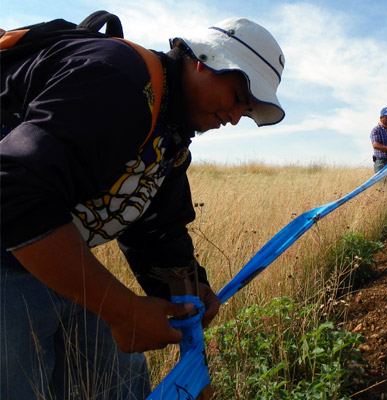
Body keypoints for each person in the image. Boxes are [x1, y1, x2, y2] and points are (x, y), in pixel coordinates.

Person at [0, 15, 285, 399]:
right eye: (237, 97)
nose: (236, 118)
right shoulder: (119, 80)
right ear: (205, 59)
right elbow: (14, 190)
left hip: (64, 264)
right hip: (11, 264)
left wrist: (184, 289)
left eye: (247, 111)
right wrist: (122, 312)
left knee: (115, 382)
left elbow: (157, 229)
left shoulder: (168, 134)